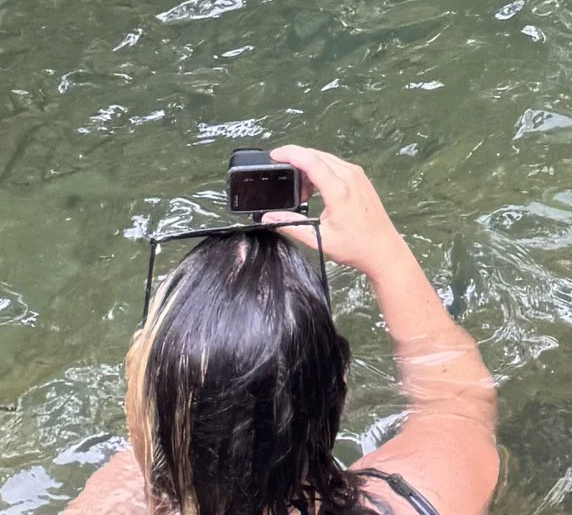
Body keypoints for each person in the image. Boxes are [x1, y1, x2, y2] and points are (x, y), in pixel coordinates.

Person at [64, 144, 495, 515]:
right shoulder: (418, 499)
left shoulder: (107, 502)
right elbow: (456, 403)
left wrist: (171, 415)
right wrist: (385, 254)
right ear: (338, 385)